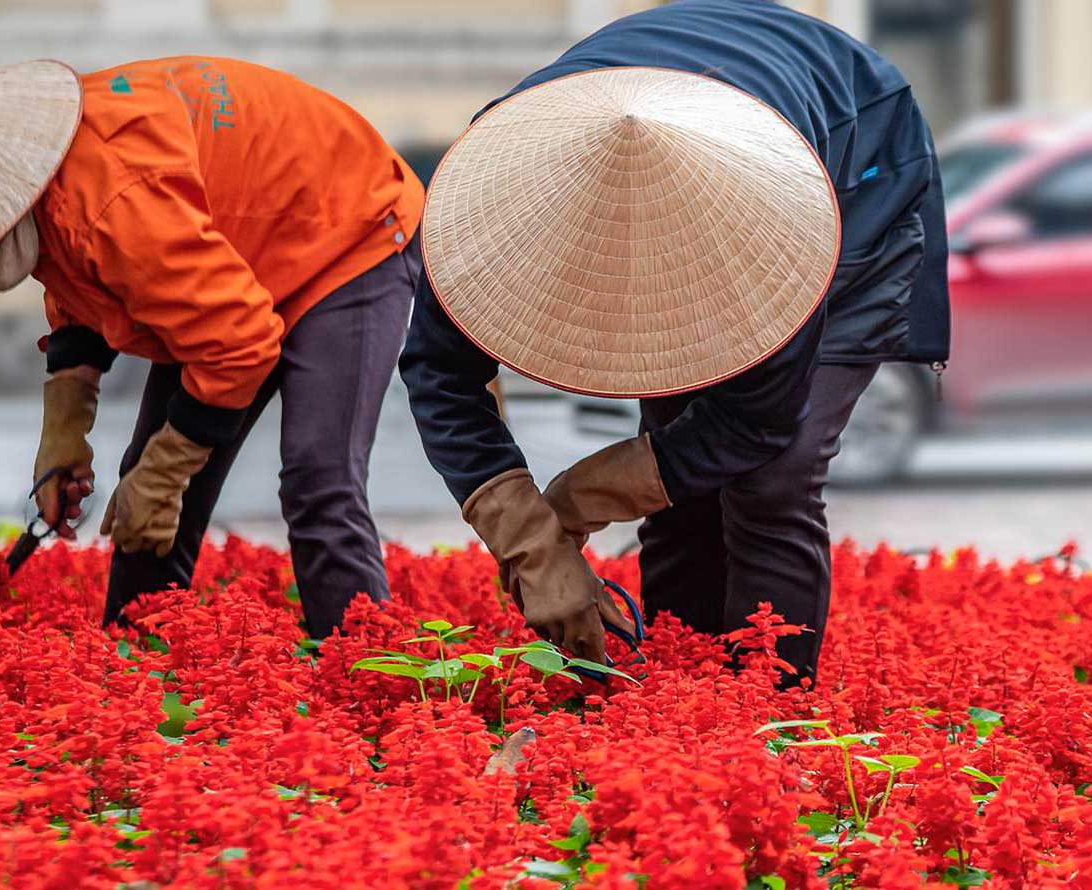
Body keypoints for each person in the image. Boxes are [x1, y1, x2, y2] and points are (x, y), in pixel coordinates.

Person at [402, 0, 948, 680]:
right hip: (701, 96)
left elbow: (756, 425)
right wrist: (531, 542)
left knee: (772, 483)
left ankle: (767, 719)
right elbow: (438, 372)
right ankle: (677, 694)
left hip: (856, 164)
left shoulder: (770, 222)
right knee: (685, 486)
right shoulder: (487, 197)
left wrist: (576, 500)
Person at [0, 58, 424, 638]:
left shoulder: (111, 200)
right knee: (147, 476)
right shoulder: (52, 187)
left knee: (318, 480)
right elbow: (81, 289)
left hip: (350, 232)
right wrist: (64, 434)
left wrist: (164, 477)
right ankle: (139, 661)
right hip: (241, 261)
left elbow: (238, 343)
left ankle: (365, 683)